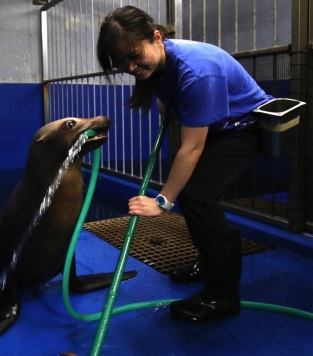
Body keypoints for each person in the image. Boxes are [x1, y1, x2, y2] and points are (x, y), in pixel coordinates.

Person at [97, 6, 273, 322]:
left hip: (243, 128)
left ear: (157, 37)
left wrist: (162, 202)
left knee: (197, 196)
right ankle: (209, 262)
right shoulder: (160, 62)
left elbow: (191, 148)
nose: (131, 67)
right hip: (218, 124)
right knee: (193, 196)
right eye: (121, 62)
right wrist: (168, 100)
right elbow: (166, 84)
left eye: (135, 57)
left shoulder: (198, 71)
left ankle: (223, 296)